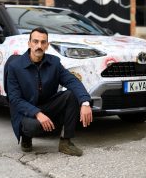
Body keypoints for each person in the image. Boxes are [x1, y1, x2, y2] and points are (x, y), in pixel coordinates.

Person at [7, 27, 92, 156]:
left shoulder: (54, 63)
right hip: (26, 112)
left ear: (47, 45)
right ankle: (26, 136)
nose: (39, 46)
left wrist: (85, 102)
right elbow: (14, 99)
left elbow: (72, 81)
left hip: (47, 106)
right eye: (35, 42)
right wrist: (37, 114)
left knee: (71, 94)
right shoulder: (15, 66)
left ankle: (65, 142)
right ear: (29, 43)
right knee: (34, 126)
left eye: (43, 42)